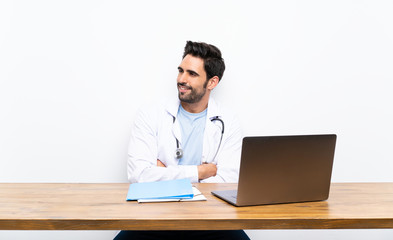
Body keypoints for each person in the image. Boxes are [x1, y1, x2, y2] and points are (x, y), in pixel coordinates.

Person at [114, 41, 249, 240]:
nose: (181, 79)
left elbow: (228, 182)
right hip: (154, 218)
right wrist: (200, 171)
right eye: (181, 70)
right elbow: (139, 176)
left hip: (211, 220)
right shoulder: (150, 114)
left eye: (192, 74)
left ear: (212, 82)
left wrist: (163, 173)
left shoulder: (228, 121)